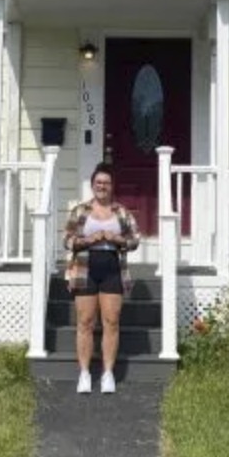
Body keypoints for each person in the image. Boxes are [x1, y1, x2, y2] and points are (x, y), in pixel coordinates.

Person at [63, 163, 141, 394]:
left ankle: (108, 374)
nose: (102, 186)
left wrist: (117, 239)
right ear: (92, 185)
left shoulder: (122, 212)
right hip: (84, 267)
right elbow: (67, 239)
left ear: (112, 186)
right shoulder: (80, 211)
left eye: (106, 183)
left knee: (111, 321)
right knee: (85, 322)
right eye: (98, 182)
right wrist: (87, 240)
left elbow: (135, 239)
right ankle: (85, 374)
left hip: (112, 267)